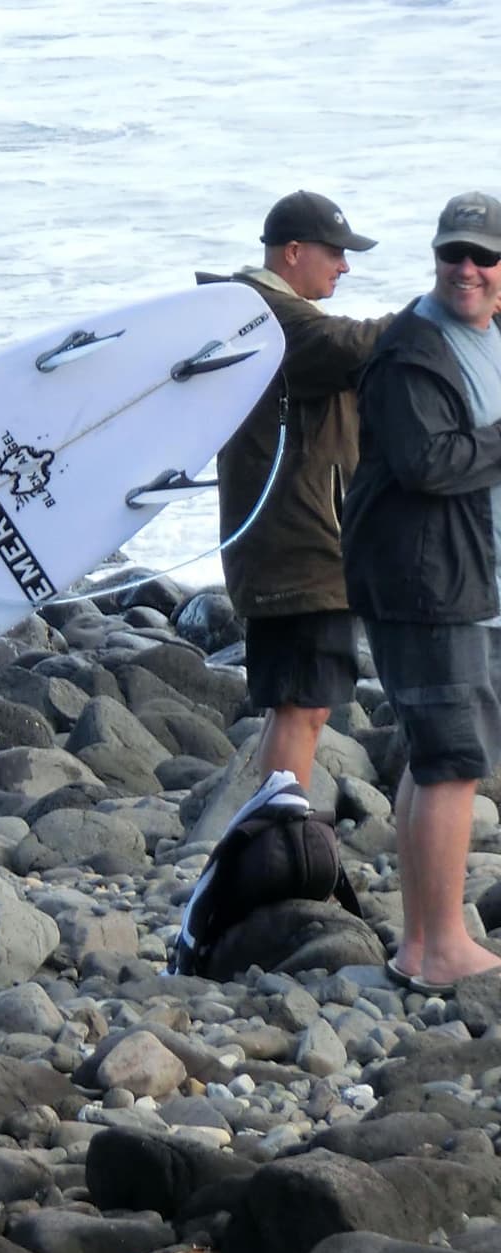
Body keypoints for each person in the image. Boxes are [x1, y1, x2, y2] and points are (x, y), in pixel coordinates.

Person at [342, 191, 501, 994]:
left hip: (467, 578)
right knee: (452, 759)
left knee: (436, 755)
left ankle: (423, 938)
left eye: (483, 256)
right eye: (453, 254)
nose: (466, 269)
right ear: (434, 257)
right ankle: (438, 948)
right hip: (425, 581)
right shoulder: (413, 350)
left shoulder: (489, 336)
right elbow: (427, 462)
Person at [203, 190, 394, 787]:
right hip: (294, 551)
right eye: (335, 252)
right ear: (292, 252)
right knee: (302, 703)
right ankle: (280, 832)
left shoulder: (258, 313)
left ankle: (275, 826)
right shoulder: (268, 319)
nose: (345, 265)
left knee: (302, 702)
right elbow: (351, 346)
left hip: (296, 547)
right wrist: (439, 314)